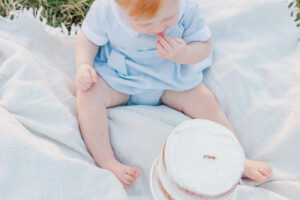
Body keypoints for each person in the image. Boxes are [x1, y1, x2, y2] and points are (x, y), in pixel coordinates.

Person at [75, 0, 272, 189]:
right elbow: (88, 39)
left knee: (206, 101)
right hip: (121, 76)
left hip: (170, 77)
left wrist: (185, 53)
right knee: (88, 94)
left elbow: (203, 46)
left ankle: (237, 158)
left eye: (168, 18)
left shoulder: (186, 10)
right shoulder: (105, 10)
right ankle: (107, 160)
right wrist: (83, 65)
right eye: (145, 23)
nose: (157, 28)